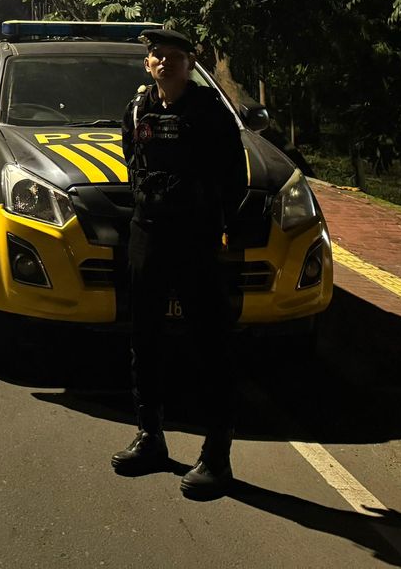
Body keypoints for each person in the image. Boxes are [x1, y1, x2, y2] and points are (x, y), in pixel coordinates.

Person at [110, 26, 247, 500]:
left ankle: (217, 454)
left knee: (210, 341)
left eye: (174, 55)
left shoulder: (209, 112)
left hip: (195, 236)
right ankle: (150, 435)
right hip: (148, 232)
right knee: (144, 337)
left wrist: (223, 227)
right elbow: (133, 160)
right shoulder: (137, 109)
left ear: (190, 64)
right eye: (157, 55)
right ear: (147, 63)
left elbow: (235, 175)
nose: (164, 62)